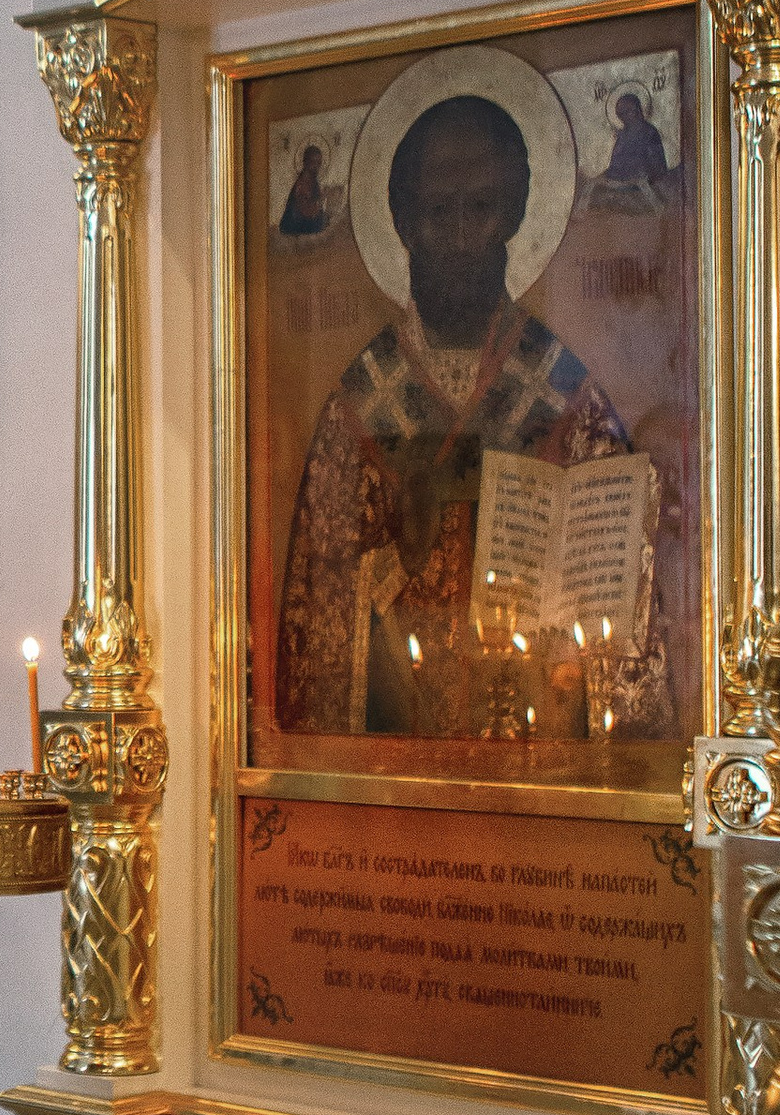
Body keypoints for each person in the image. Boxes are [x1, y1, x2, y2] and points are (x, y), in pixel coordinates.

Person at [277, 90, 672, 738]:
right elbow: (319, 613)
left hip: (539, 749)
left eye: (481, 207)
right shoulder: (362, 399)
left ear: (516, 213)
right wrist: (399, 550)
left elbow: (615, 595)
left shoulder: (563, 391)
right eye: (437, 211)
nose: (460, 236)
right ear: (402, 222)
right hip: (403, 764)